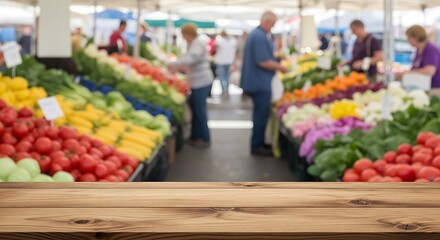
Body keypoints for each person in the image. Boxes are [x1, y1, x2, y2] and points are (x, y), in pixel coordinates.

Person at [240, 11, 288, 156]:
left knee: (260, 114)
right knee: (260, 115)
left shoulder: (256, 34)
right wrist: (280, 67)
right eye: (272, 24)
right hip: (260, 82)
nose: (272, 27)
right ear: (267, 21)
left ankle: (259, 142)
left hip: (257, 81)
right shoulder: (259, 36)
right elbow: (262, 61)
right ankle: (257, 146)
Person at [168, 23, 213, 148]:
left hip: (201, 81)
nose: (183, 38)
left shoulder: (197, 44)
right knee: (195, 108)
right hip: (196, 81)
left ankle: (203, 138)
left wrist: (173, 64)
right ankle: (195, 136)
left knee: (199, 110)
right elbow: (188, 58)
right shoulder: (193, 44)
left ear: (188, 34)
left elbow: (191, 58)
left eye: (184, 35)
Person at [396, 25, 440, 91]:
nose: (408, 41)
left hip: (433, 88)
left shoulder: (430, 49)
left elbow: (430, 71)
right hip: (422, 87)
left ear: (415, 37)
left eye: (408, 38)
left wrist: (409, 72)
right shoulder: (419, 50)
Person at [215, 31, 237, 95]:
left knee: (221, 76)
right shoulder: (233, 41)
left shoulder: (219, 40)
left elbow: (216, 49)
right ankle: (226, 89)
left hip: (221, 61)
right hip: (229, 61)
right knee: (227, 76)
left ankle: (223, 89)